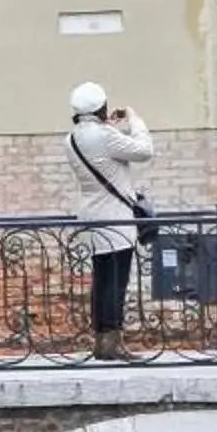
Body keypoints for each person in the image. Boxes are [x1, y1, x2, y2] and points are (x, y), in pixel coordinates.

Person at [65, 82, 154, 359]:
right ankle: (113, 343)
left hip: (91, 217)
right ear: (101, 108)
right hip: (115, 218)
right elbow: (144, 150)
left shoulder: (71, 138)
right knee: (116, 281)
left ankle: (101, 342)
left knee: (102, 280)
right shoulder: (104, 136)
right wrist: (134, 119)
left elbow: (104, 152)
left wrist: (110, 127)